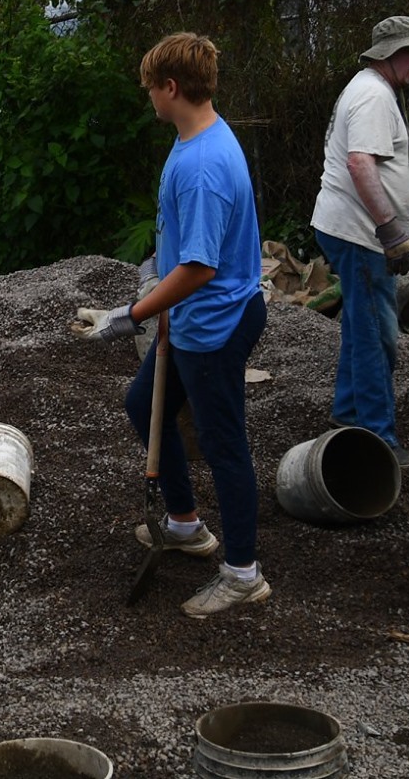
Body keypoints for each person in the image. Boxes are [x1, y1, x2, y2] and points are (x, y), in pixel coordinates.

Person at [71, 33, 269, 617]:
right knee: (143, 405)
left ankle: (242, 573)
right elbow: (177, 245)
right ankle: (184, 523)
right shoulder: (193, 138)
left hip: (216, 323)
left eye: (150, 88)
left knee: (222, 443)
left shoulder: (205, 165)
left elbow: (201, 265)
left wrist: (129, 315)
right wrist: (160, 311)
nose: (147, 97)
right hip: (188, 320)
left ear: (171, 88)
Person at [311, 15, 409, 466]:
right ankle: (378, 438)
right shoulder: (372, 94)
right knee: (376, 334)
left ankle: (348, 412)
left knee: (362, 324)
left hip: (354, 228)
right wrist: (390, 229)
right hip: (361, 233)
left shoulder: (374, 89)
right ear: (387, 53)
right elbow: (360, 164)